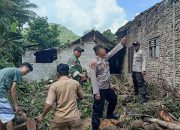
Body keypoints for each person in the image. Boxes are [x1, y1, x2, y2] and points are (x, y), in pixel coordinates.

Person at [90, 37, 127, 130]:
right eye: (103, 49)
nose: (105, 50)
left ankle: (109, 114)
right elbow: (93, 78)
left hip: (107, 87)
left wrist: (121, 44)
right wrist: (96, 92)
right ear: (98, 51)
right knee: (98, 109)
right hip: (100, 89)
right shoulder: (94, 62)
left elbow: (113, 52)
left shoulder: (104, 58)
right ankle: (95, 127)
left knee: (114, 98)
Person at [37, 63, 84, 130]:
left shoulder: (54, 86)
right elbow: (82, 97)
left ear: (58, 73)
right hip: (74, 118)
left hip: (60, 119)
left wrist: (42, 116)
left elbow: (49, 104)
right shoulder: (75, 83)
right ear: (68, 72)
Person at [0, 62, 33, 130]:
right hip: (1, 94)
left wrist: (11, 104)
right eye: (26, 71)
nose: (26, 73)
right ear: (22, 67)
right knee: (9, 118)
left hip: (2, 94)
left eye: (27, 73)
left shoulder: (10, 70)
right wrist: (16, 105)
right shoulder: (17, 72)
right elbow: (13, 89)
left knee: (2, 114)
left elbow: (8, 91)